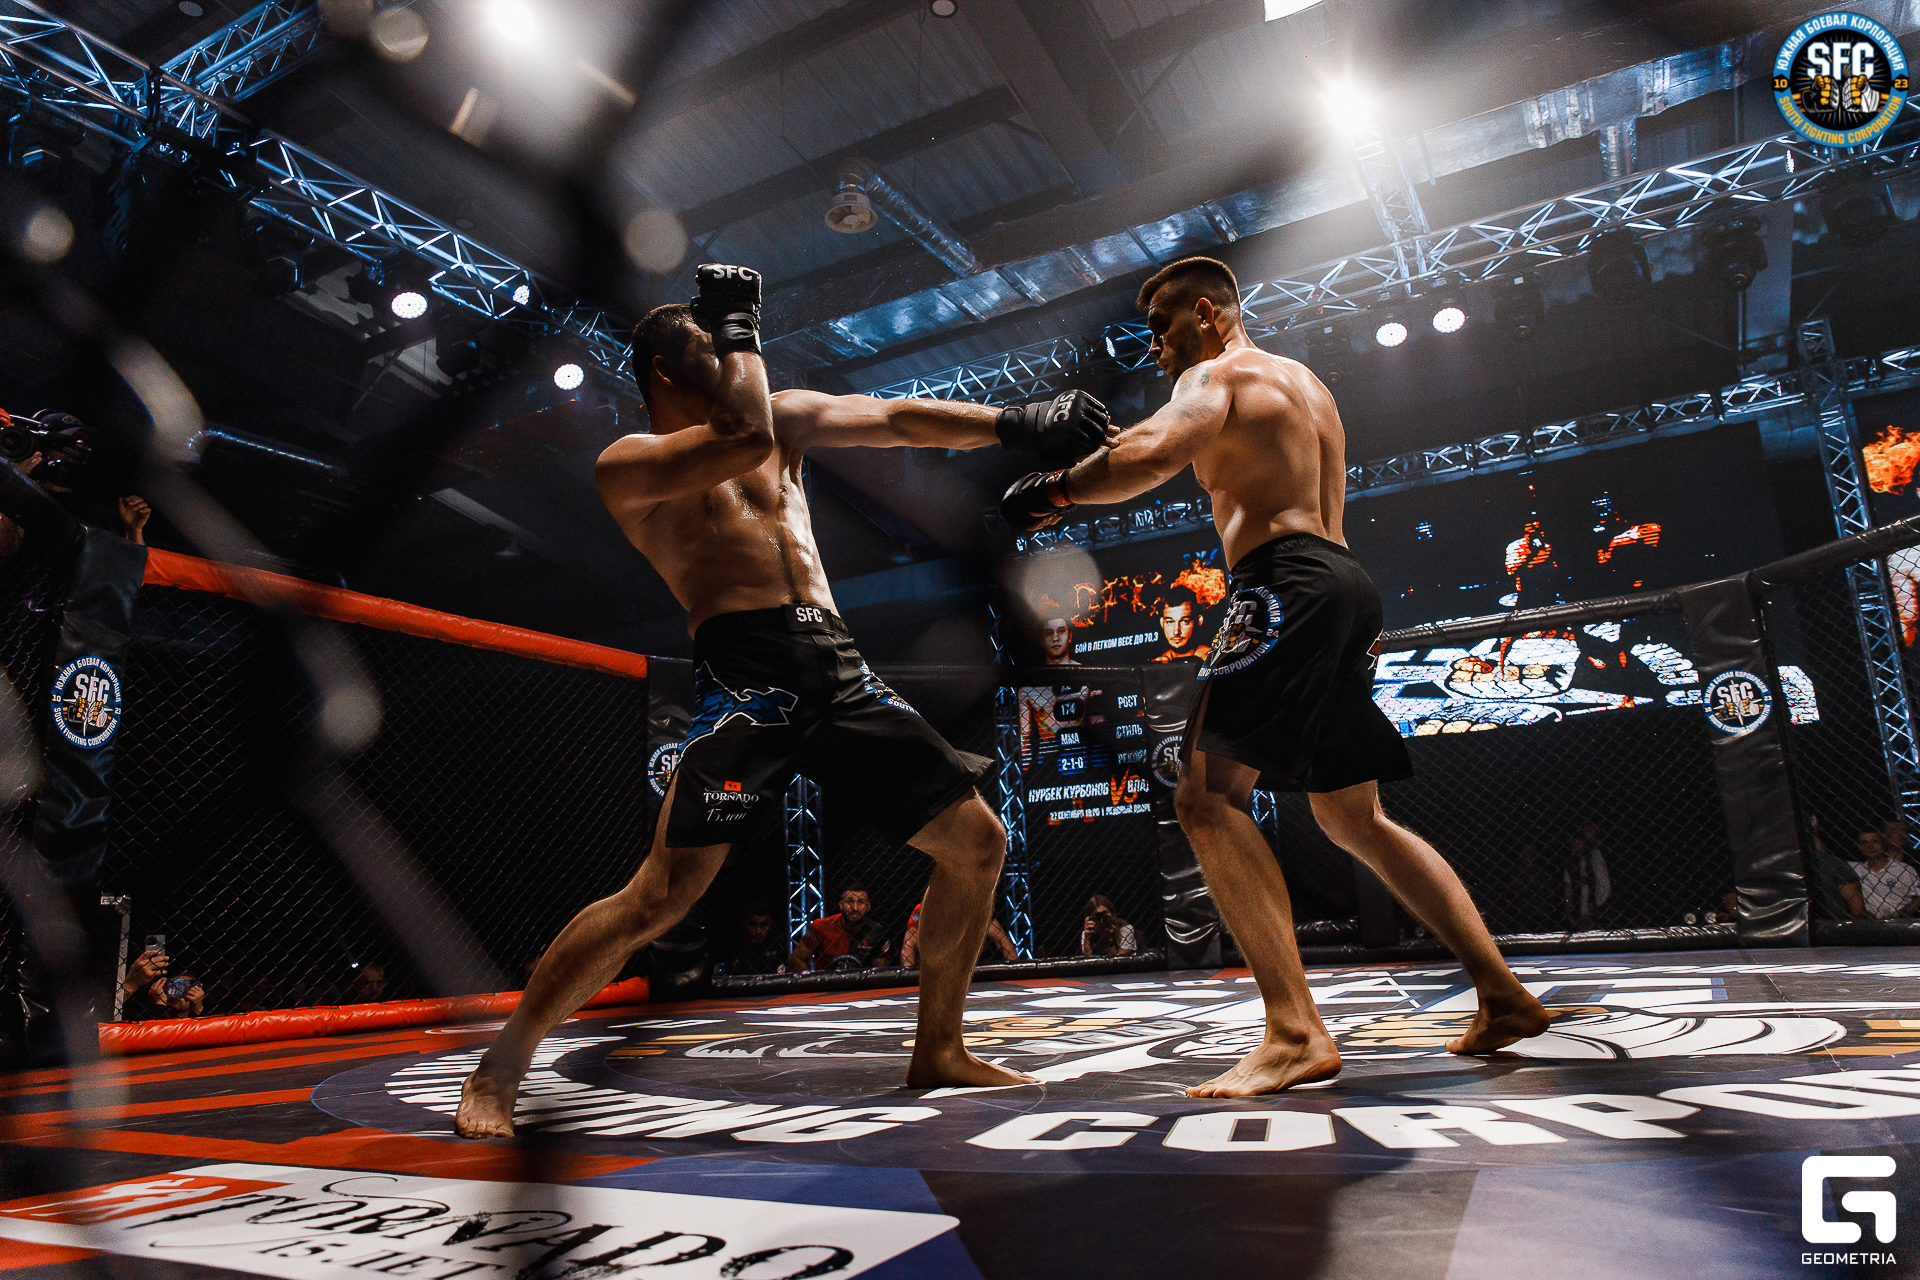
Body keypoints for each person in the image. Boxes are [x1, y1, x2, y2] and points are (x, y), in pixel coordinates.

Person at [456, 264, 1115, 1136]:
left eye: (730, 344)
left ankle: (939, 1048)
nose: (734, 359)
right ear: (665, 369)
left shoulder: (781, 423)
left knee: (978, 843)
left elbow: (894, 419)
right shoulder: (633, 464)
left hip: (834, 663)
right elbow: (739, 436)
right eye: (712, 347)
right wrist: (740, 328)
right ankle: (499, 1070)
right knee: (661, 897)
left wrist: (1017, 422)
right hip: (745, 678)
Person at [1001, 255, 1549, 1096]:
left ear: (1208, 315)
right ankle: (1503, 994)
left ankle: (1294, 1032)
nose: (1155, 348)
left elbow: (1154, 454)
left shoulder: (1216, 375)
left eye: (1162, 327)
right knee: (1354, 816)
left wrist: (1054, 491)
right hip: (1344, 582)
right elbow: (1154, 443)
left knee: (1203, 798)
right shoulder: (1304, 384)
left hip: (1282, 583)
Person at [791, 885, 893, 972]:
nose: (855, 908)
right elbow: (797, 958)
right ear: (841, 905)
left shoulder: (877, 932)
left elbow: (880, 970)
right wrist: (813, 983)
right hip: (827, 985)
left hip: (862, 985)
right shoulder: (821, 926)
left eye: (860, 902)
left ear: (868, 907)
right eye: (849, 902)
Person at [902, 894, 1018, 967]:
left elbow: (1002, 940)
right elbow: (909, 944)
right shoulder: (923, 909)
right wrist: (909, 978)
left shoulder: (976, 909)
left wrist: (1015, 970)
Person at [1850, 829, 1920, 920]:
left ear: (1883, 844)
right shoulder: (1855, 869)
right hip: (1871, 921)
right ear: (1859, 846)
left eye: (1875, 841)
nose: (1870, 846)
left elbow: (1918, 898)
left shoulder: (1904, 869)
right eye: (1865, 842)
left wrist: (1900, 914)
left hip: (1901, 920)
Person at [1150, 585, 1209, 664]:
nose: (1176, 631)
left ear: (1199, 621)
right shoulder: (1156, 663)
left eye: (1184, 622)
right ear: (1162, 623)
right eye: (1170, 622)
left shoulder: (1213, 658)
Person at [725, 902, 786, 975]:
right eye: (752, 924)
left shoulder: (779, 942)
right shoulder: (734, 944)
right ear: (743, 924)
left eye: (763, 924)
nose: (758, 931)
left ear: (770, 924)